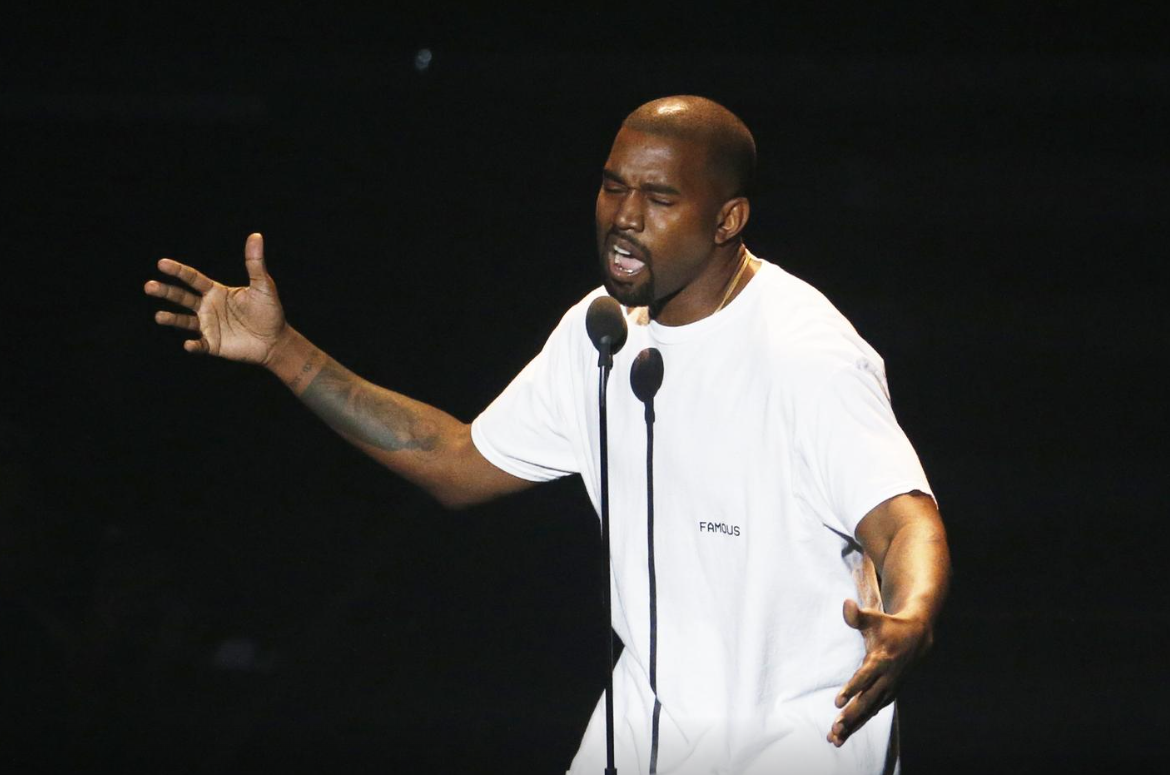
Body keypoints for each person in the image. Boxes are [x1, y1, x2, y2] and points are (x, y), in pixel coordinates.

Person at [145, 95, 950, 774]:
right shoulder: (596, 333)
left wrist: (911, 616)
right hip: (646, 725)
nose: (625, 219)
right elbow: (456, 463)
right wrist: (284, 352)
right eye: (612, 188)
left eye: (660, 198)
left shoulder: (804, 352)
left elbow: (905, 518)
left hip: (804, 736)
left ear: (727, 219)